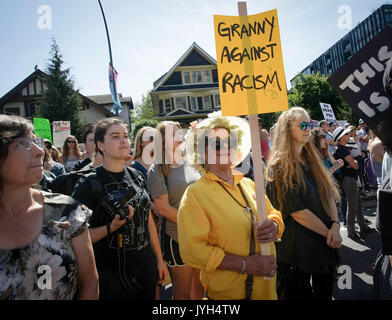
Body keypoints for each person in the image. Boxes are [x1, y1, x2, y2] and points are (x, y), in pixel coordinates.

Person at [178, 116, 284, 300]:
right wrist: (244, 264)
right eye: (217, 143)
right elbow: (193, 250)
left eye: (231, 141)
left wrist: (274, 225)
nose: (226, 147)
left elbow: (272, 213)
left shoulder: (249, 184)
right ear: (202, 152)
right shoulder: (195, 194)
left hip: (268, 292)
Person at [0, 115, 98, 300]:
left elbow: (90, 283)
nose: (40, 151)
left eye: (36, 141)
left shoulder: (67, 213)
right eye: (23, 143)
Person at [72, 117, 167, 300]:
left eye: (125, 135)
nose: (123, 140)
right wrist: (110, 227)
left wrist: (159, 260)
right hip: (110, 278)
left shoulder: (137, 175)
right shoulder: (88, 184)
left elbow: (147, 221)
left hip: (145, 270)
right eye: (115, 136)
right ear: (101, 145)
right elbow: (76, 237)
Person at [265, 107, 342, 300]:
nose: (309, 129)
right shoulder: (279, 166)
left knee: (325, 294)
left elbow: (328, 195)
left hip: (323, 246)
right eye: (303, 125)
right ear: (287, 129)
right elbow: (297, 211)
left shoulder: (312, 159)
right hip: (297, 253)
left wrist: (335, 225)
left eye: (311, 124)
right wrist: (329, 233)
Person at [147, 121, 203, 300]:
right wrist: (194, 222)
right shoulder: (157, 170)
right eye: (173, 134)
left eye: (180, 133)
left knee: (200, 289)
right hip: (176, 238)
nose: (179, 137)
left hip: (200, 235)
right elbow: (163, 209)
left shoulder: (191, 162)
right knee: (182, 293)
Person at [332, 126, 374, 241]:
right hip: (349, 179)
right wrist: (353, 162)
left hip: (350, 178)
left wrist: (353, 163)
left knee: (358, 203)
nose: (348, 135)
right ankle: (351, 231)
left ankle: (363, 227)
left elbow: (354, 164)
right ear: (340, 138)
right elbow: (355, 165)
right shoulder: (343, 149)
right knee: (353, 205)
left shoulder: (342, 149)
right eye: (345, 134)